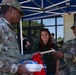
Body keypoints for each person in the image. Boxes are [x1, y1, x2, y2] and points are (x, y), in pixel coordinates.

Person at [0, 0, 35, 75]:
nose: (20, 17)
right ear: (10, 10)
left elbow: (15, 58)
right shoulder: (1, 28)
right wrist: (17, 68)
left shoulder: (8, 29)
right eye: (19, 13)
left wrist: (31, 56)